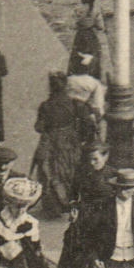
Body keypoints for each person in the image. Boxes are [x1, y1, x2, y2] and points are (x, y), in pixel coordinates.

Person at [30, 72, 85, 220]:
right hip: (70, 142)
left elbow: (39, 127)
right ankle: (70, 202)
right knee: (69, 171)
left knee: (50, 173)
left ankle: (54, 207)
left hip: (51, 142)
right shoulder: (74, 103)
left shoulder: (46, 106)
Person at [69, 0, 105, 80]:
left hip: (80, 36)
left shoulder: (78, 10)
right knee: (94, 58)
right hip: (91, 36)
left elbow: (71, 26)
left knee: (78, 58)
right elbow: (100, 27)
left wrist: (80, 25)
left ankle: (78, 78)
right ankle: (94, 80)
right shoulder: (96, 10)